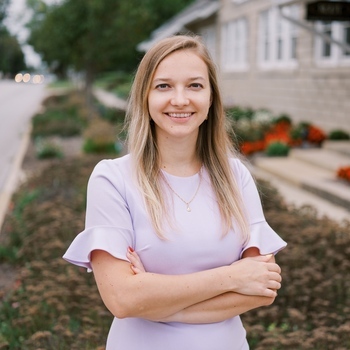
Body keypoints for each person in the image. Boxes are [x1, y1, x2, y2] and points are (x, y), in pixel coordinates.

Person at [63, 34, 287, 350]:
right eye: (164, 86)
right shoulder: (112, 179)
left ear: (211, 99)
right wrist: (233, 277)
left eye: (194, 85)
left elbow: (262, 288)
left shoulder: (236, 177)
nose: (180, 99)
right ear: (145, 97)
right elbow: (123, 299)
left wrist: (156, 299)